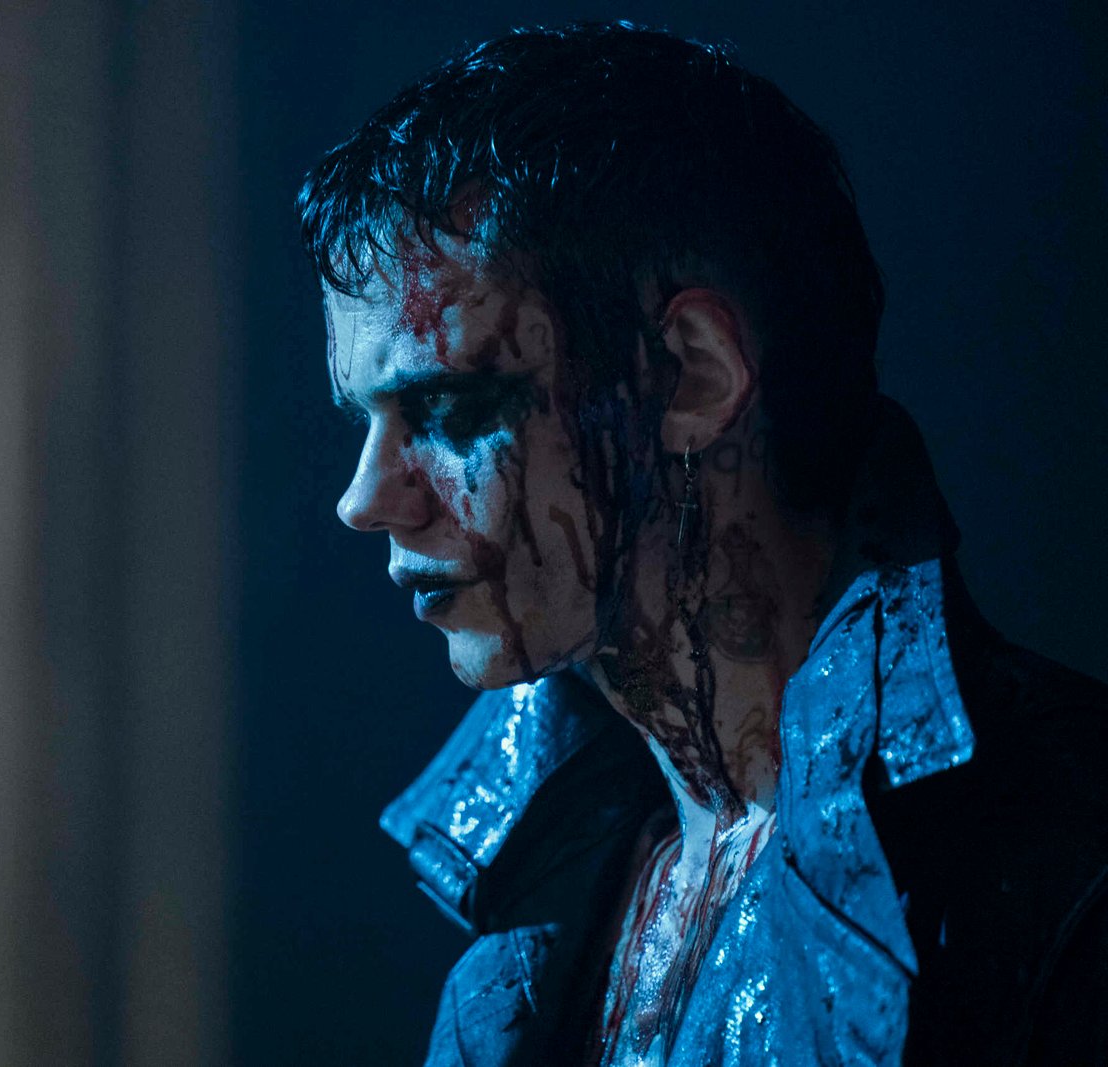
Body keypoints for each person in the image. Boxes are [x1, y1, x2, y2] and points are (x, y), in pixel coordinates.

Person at [297, 22, 1108, 1066]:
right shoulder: (553, 886)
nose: (364, 499)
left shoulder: (1062, 854)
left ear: (691, 374)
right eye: (364, 421)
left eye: (451, 408)